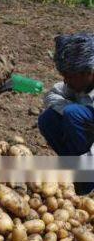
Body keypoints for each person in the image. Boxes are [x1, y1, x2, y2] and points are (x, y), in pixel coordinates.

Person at [38, 33, 94, 194]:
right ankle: (78, 177)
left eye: (69, 76)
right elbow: (51, 95)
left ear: (87, 73)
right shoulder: (77, 82)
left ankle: (88, 185)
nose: (65, 81)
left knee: (73, 114)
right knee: (48, 119)